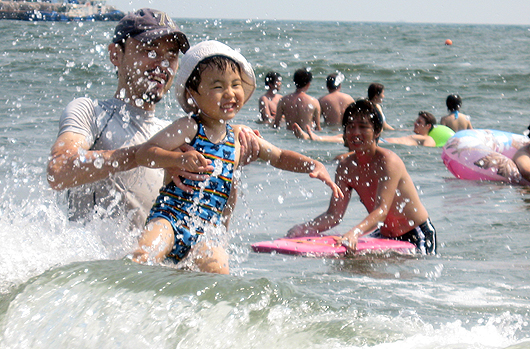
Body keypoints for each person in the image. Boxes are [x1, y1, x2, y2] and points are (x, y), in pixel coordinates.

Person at [131, 41, 343, 274]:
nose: (230, 93)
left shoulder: (239, 136)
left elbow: (280, 156)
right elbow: (144, 153)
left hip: (207, 231)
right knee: (145, 255)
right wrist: (176, 160)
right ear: (193, 94)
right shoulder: (189, 127)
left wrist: (314, 164)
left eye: (235, 84)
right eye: (218, 86)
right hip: (169, 219)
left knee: (219, 273)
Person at [46, 8, 260, 229]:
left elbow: (209, 226)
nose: (163, 64)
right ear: (115, 55)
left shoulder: (176, 135)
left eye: (171, 55)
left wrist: (230, 161)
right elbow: (58, 171)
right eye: (150, 51)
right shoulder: (90, 111)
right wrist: (143, 156)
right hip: (92, 260)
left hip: (148, 262)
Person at [287, 100, 437, 255]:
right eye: (350, 127)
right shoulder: (346, 167)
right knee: (348, 261)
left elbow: (382, 210)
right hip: (383, 235)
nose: (355, 133)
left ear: (377, 131)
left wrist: (355, 232)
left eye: (363, 127)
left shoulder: (388, 162)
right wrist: (304, 228)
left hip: (416, 233)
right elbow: (334, 215)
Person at [294, 111, 438, 147]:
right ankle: (311, 136)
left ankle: (315, 138)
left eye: (419, 122)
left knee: (352, 138)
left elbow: (427, 151)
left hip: (383, 144)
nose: (415, 124)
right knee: (344, 135)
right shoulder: (410, 134)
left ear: (428, 127)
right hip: (382, 141)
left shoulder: (428, 138)